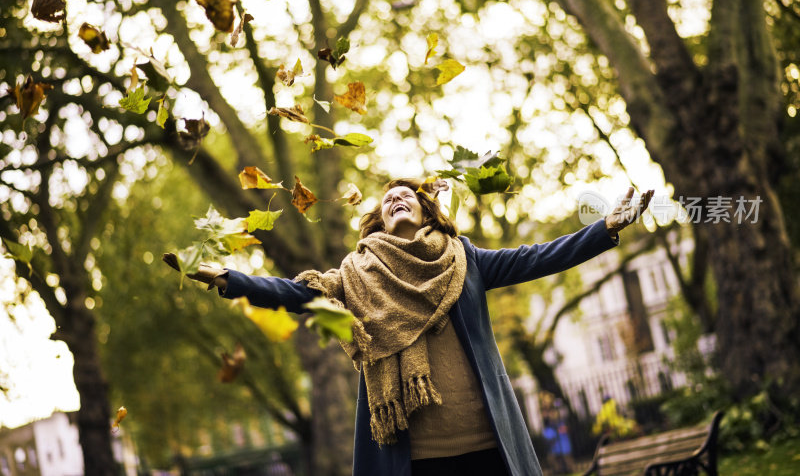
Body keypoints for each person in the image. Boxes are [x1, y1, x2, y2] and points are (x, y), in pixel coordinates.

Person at [164, 179, 653, 476]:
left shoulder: (466, 260)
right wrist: (230, 279)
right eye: (388, 198)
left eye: (407, 195)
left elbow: (537, 257)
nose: (398, 196)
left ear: (426, 213)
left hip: (489, 445)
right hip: (414, 459)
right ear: (378, 221)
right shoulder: (353, 278)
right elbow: (294, 293)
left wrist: (606, 228)